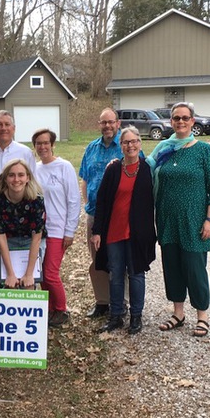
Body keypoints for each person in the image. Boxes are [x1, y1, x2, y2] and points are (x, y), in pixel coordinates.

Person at [146, 102, 210, 337]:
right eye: (176, 118)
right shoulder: (163, 149)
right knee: (172, 266)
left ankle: (202, 316)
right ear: (171, 121)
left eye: (185, 118)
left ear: (192, 121)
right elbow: (143, 170)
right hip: (167, 219)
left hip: (194, 220)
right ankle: (178, 313)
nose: (180, 122)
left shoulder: (204, 151)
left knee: (195, 267)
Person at [90, 127, 156, 334]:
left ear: (140, 143)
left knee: (137, 274)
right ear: (121, 145)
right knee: (115, 275)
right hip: (114, 232)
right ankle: (116, 315)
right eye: (126, 142)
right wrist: (97, 231)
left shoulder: (148, 169)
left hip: (138, 233)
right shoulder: (113, 169)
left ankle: (136, 316)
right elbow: (102, 201)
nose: (131, 145)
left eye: (134, 141)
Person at [33, 129, 80, 327]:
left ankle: (61, 309)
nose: (42, 147)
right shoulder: (34, 168)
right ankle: (50, 309)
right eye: (38, 143)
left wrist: (69, 231)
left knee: (51, 273)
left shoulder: (64, 167)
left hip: (57, 229)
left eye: (46, 143)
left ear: (53, 145)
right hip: (38, 231)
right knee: (42, 274)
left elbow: (74, 200)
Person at [79, 108, 123, 318]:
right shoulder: (91, 148)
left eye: (111, 122)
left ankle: (121, 302)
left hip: (119, 216)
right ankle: (102, 301)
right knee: (97, 260)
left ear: (118, 123)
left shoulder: (127, 145)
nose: (107, 126)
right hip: (95, 214)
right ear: (99, 124)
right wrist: (88, 204)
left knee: (119, 259)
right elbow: (85, 179)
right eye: (103, 122)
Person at [0, 159, 46, 289]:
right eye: (11, 175)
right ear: (5, 179)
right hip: (7, 241)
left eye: (21, 175)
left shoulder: (37, 200)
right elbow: (0, 238)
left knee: (28, 284)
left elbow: (36, 239)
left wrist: (29, 274)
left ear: (28, 178)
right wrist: (10, 274)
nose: (16, 179)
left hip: (31, 241)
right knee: (9, 285)